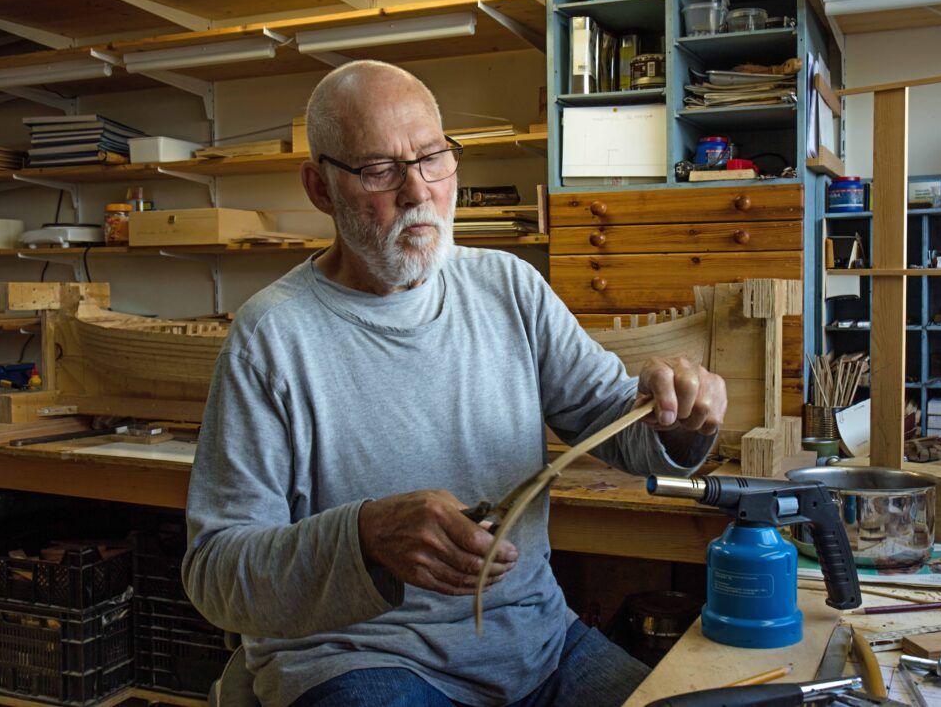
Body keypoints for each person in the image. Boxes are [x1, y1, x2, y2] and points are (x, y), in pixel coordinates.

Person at [182, 60, 727, 707]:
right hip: (359, 657)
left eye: (433, 158)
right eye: (380, 170)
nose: (418, 192)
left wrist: (681, 417)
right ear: (320, 187)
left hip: (536, 644)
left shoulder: (510, 287)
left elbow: (615, 417)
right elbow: (215, 573)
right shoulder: (273, 335)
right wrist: (364, 537)